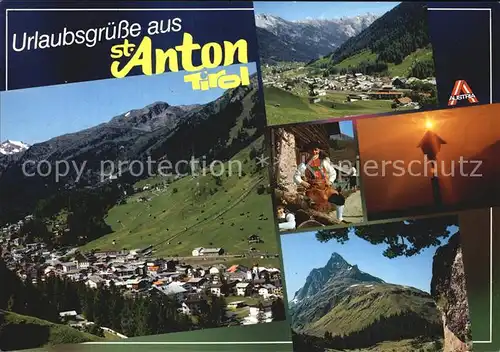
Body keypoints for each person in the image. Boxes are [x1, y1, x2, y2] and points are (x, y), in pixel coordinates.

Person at [293, 142, 346, 222]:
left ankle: (340, 219)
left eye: (316, 150)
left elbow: (333, 173)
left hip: (325, 188)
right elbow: (295, 176)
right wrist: (302, 182)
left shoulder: (323, 162)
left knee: (340, 199)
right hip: (313, 190)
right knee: (317, 206)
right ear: (309, 151)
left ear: (319, 150)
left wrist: (330, 181)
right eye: (312, 150)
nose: (315, 152)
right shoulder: (304, 165)